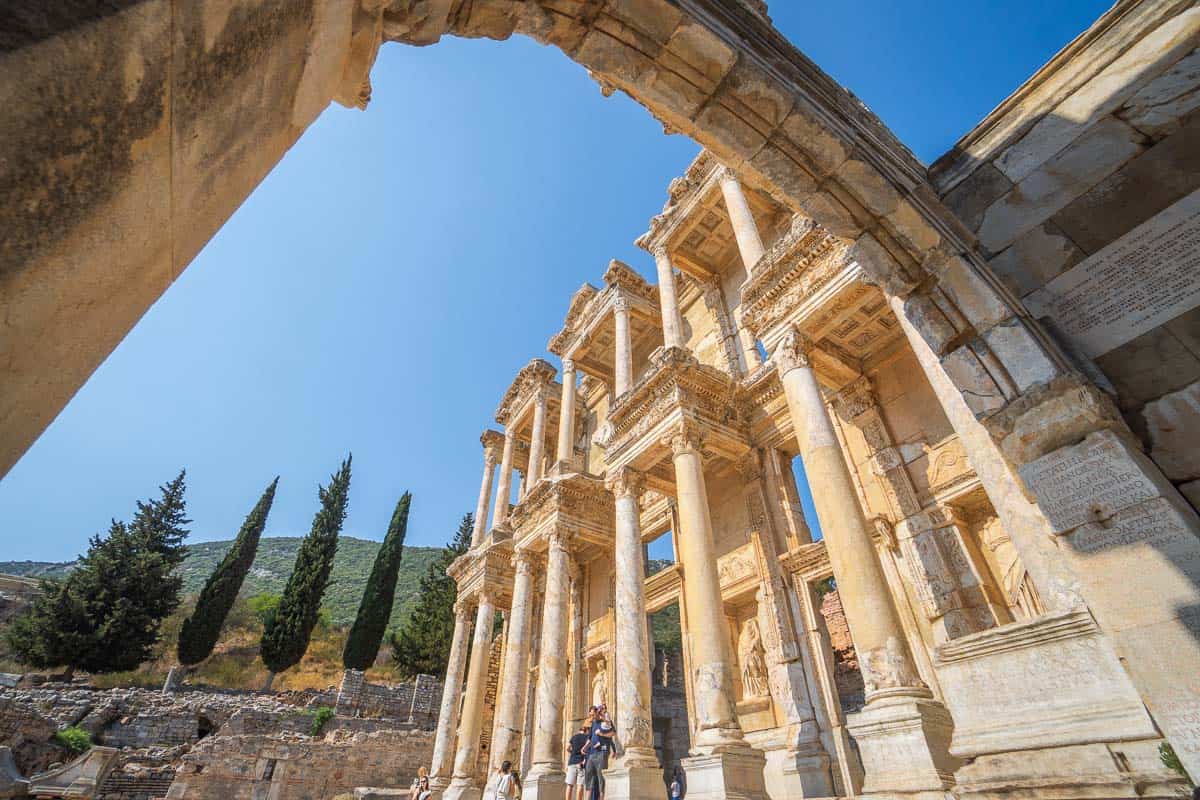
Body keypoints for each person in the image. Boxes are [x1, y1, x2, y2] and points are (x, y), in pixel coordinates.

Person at [582, 717, 615, 800]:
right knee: (589, 777)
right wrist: (585, 747)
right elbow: (590, 737)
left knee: (601, 777)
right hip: (592, 753)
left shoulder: (607, 722)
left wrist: (601, 734)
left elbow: (613, 733)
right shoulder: (594, 723)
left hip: (602, 752)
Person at [565, 722, 591, 800]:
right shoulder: (587, 737)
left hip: (572, 762)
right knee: (580, 785)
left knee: (569, 784)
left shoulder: (574, 737)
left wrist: (573, 752)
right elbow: (588, 750)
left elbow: (568, 748)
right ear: (587, 730)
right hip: (581, 763)